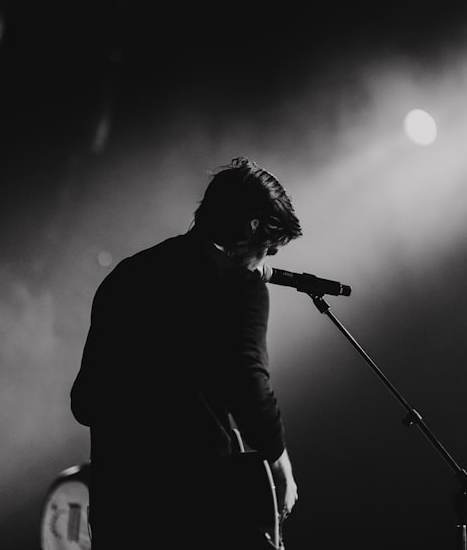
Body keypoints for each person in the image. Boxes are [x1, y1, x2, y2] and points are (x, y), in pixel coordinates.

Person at [70, 156, 302, 548]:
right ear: (253, 226)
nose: (267, 261)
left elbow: (85, 402)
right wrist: (280, 463)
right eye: (270, 247)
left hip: (120, 510)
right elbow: (249, 383)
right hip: (198, 510)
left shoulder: (126, 275)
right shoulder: (239, 286)